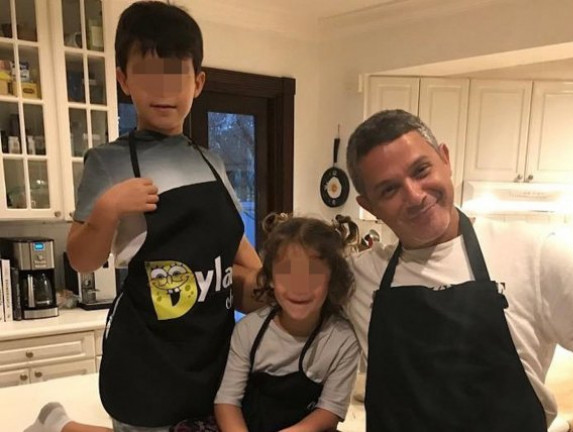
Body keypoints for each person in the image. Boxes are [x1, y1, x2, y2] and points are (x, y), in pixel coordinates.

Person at [344, 109, 573, 431]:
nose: (414, 195)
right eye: (389, 189)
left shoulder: (531, 252)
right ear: (369, 206)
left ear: (445, 159)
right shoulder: (357, 278)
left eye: (421, 170)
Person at [63, 2, 261, 431]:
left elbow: (235, 246)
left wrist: (273, 285)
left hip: (212, 361)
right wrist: (108, 209)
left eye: (177, 74)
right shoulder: (108, 162)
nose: (164, 89)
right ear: (123, 80)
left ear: (198, 82)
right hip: (148, 368)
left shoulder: (211, 161)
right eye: (149, 74)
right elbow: (80, 258)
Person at [214, 213, 361, 432]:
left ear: (332, 279)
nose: (299, 286)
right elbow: (227, 402)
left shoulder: (343, 339)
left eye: (313, 275)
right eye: (287, 274)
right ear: (271, 278)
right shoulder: (248, 330)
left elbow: (329, 412)